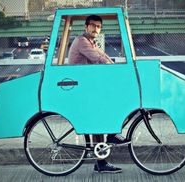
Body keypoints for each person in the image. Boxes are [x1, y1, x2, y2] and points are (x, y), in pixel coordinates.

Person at [68, 15, 127, 173]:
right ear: (86, 27)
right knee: (106, 113)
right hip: (81, 90)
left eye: (98, 26)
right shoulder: (82, 41)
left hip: (87, 87)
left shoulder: (90, 42)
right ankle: (103, 159)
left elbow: (103, 55)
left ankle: (109, 140)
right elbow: (98, 58)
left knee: (115, 104)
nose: (96, 29)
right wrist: (114, 69)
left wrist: (115, 67)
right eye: (93, 25)